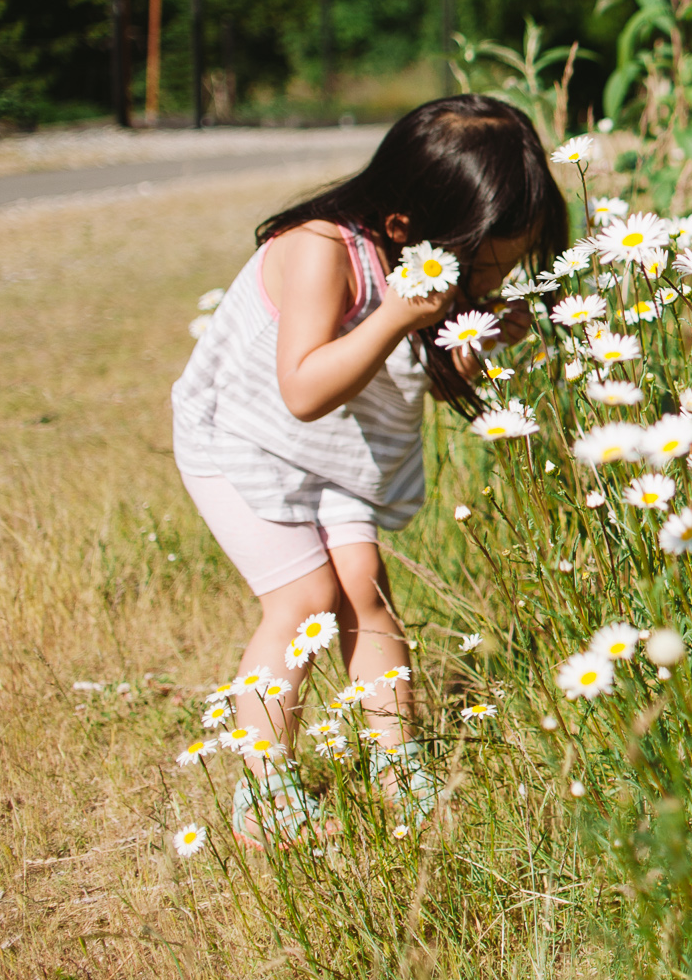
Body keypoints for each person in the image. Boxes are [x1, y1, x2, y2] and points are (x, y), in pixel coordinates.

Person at [171, 95, 566, 846]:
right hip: (242, 440)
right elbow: (305, 390)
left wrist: (478, 333)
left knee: (366, 589)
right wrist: (393, 317)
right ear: (404, 229)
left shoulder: (424, 261)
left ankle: (399, 769)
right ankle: (262, 792)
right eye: (483, 268)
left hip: (328, 453)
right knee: (306, 599)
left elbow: (429, 371)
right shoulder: (321, 248)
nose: (486, 283)